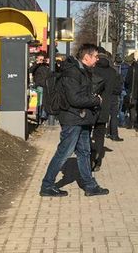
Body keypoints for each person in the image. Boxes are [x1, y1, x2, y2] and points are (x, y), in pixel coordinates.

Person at [39, 43, 109, 197]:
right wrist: (96, 100)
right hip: (72, 119)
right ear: (86, 57)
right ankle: (47, 185)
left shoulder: (82, 71)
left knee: (84, 151)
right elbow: (75, 99)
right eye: (95, 56)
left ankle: (90, 185)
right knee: (64, 152)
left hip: (81, 118)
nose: (97, 59)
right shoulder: (72, 72)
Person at [90, 48, 119, 172]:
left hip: (91, 106)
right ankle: (97, 160)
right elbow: (117, 89)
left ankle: (90, 158)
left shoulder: (91, 69)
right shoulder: (113, 72)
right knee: (100, 134)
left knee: (87, 133)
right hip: (105, 107)